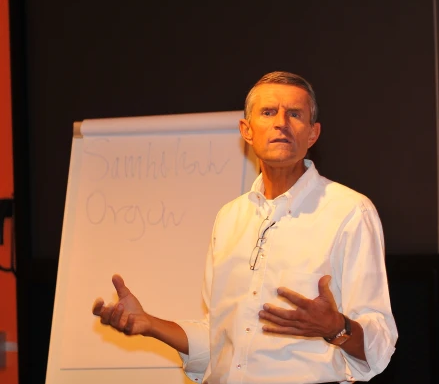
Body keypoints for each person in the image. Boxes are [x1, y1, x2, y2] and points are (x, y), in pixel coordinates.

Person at [92, 71, 398, 383]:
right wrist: (150, 324)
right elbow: (218, 341)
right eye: (268, 112)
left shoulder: (349, 212)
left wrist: (336, 327)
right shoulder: (229, 218)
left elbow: (380, 345)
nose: (281, 122)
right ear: (246, 130)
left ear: (312, 133)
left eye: (295, 114)